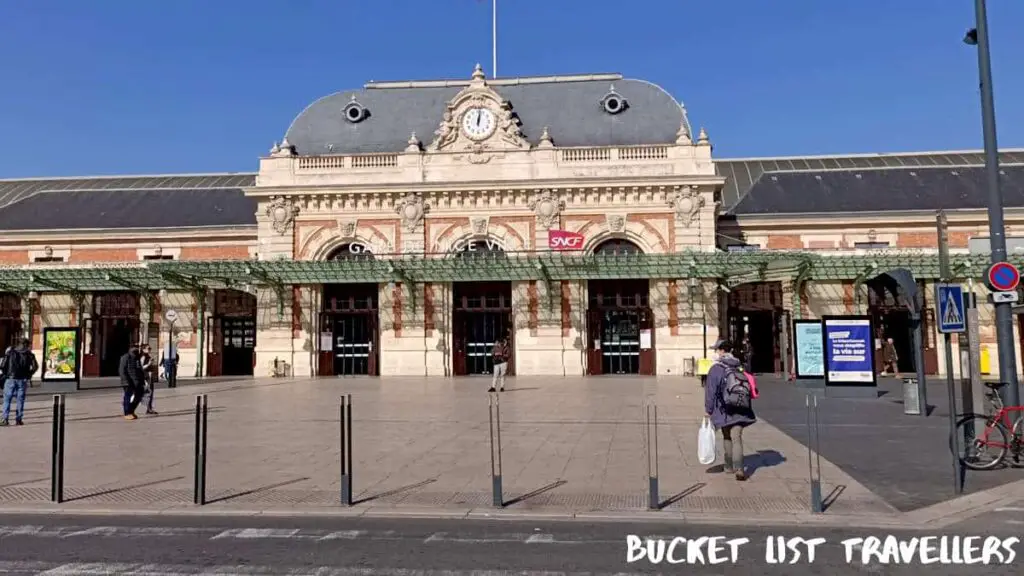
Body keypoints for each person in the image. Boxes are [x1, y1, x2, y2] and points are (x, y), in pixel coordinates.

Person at [704, 339, 756, 481]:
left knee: (727, 435)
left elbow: (711, 391)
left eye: (717, 349)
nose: (716, 352)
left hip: (724, 408)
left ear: (721, 350)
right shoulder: (740, 366)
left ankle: (728, 466)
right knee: (737, 437)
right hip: (741, 406)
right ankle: (740, 469)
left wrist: (708, 410)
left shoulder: (716, 369)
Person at [1, 339, 39, 426]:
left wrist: (6, 374)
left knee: (7, 399)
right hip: (22, 379)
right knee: (20, 400)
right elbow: (35, 366)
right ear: (27, 345)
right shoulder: (29, 354)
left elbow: (2, 365)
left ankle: (5, 418)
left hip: (10, 378)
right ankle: (19, 419)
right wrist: (29, 374)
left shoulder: (10, 352)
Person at [118, 344, 146, 420]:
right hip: (128, 381)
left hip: (138, 381)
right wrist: (126, 381)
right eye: (135, 348)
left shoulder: (137, 358)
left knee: (139, 396)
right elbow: (122, 370)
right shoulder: (125, 357)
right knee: (127, 397)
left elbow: (139, 369)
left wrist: (143, 379)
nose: (137, 350)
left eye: (138, 348)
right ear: (131, 349)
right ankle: (127, 413)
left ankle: (131, 410)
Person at [140, 344, 158, 415]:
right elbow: (142, 367)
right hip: (146, 377)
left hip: (149, 376)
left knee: (150, 392)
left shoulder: (147, 356)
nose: (150, 350)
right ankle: (149, 408)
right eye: (148, 348)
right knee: (149, 392)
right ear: (143, 349)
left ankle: (149, 408)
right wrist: (149, 364)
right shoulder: (143, 356)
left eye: (150, 348)